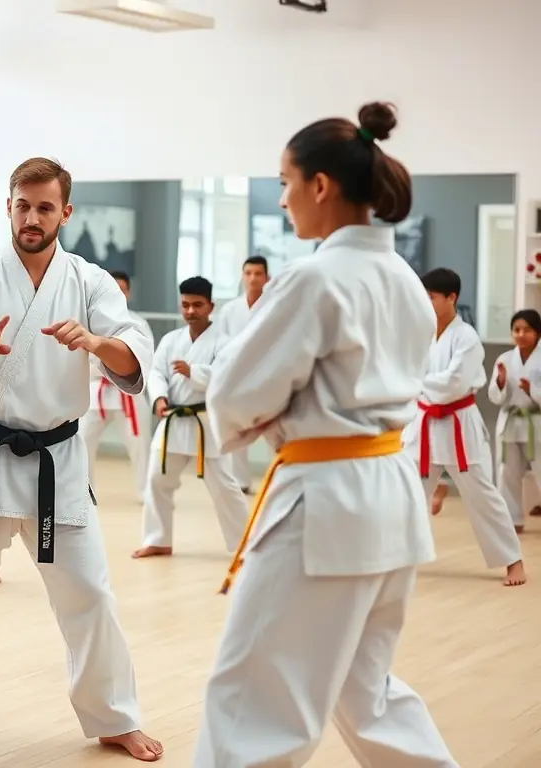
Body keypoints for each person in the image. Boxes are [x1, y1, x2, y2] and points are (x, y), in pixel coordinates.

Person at [192, 102, 457, 766]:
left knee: (249, 700)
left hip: (325, 507)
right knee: (367, 695)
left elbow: (232, 393)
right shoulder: (402, 278)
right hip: (390, 497)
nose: (282, 200)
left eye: (286, 182)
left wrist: (269, 419)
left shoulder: (313, 278)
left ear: (320, 186)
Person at [0, 157, 163, 762]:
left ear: (65, 213)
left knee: (89, 595)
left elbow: (134, 351)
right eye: (22, 205)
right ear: (9, 207)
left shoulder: (89, 281)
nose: (31, 217)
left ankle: (114, 717)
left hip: (57, 460)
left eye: (44, 207)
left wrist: (98, 343)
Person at [404, 267, 526, 586]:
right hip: (425, 423)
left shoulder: (467, 338)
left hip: (458, 424)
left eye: (430, 297)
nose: (424, 302)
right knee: (408, 493)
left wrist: (414, 381)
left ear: (451, 298)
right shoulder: (422, 333)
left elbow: (452, 384)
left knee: (482, 494)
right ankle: (396, 562)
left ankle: (513, 561)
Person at [132, 276, 248, 559]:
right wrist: (159, 397)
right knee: (157, 480)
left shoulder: (225, 342)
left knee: (225, 487)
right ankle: (158, 538)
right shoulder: (172, 340)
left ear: (211, 305)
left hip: (205, 424)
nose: (191, 311)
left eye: (197, 305)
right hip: (174, 421)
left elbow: (227, 378)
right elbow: (156, 372)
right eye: (185, 305)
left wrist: (193, 371)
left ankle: (245, 544)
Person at [81, 269, 154, 502]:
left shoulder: (138, 323)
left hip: (129, 392)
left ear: (129, 293)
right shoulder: (89, 320)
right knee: (82, 440)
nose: (119, 293)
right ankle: (84, 490)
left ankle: (145, 492)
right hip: (96, 390)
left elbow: (144, 358)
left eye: (123, 289)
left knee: (140, 443)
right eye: (115, 288)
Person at [213, 255, 271, 493]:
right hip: (238, 377)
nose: (253, 278)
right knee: (237, 430)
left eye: (258, 274)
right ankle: (241, 481)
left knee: (273, 431)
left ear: (267, 277)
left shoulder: (274, 305)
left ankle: (274, 481)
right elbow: (222, 344)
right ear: (242, 276)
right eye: (248, 273)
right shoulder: (230, 310)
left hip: (267, 378)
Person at [489, 309, 541, 533]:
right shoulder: (505, 359)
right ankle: (512, 519)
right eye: (516, 330)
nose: (521, 334)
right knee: (507, 471)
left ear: (538, 333)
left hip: (535, 421)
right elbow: (494, 396)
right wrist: (500, 382)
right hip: (510, 421)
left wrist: (533, 391)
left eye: (527, 330)